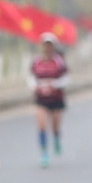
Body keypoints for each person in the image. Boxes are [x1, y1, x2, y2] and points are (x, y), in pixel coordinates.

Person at [28, 32, 68, 167]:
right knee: (42, 126)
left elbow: (66, 79)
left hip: (56, 99)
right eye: (45, 45)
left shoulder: (59, 61)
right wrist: (35, 86)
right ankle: (44, 153)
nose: (48, 48)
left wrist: (55, 84)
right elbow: (31, 77)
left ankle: (56, 137)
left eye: (50, 45)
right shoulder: (37, 61)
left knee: (55, 126)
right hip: (41, 99)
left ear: (53, 47)